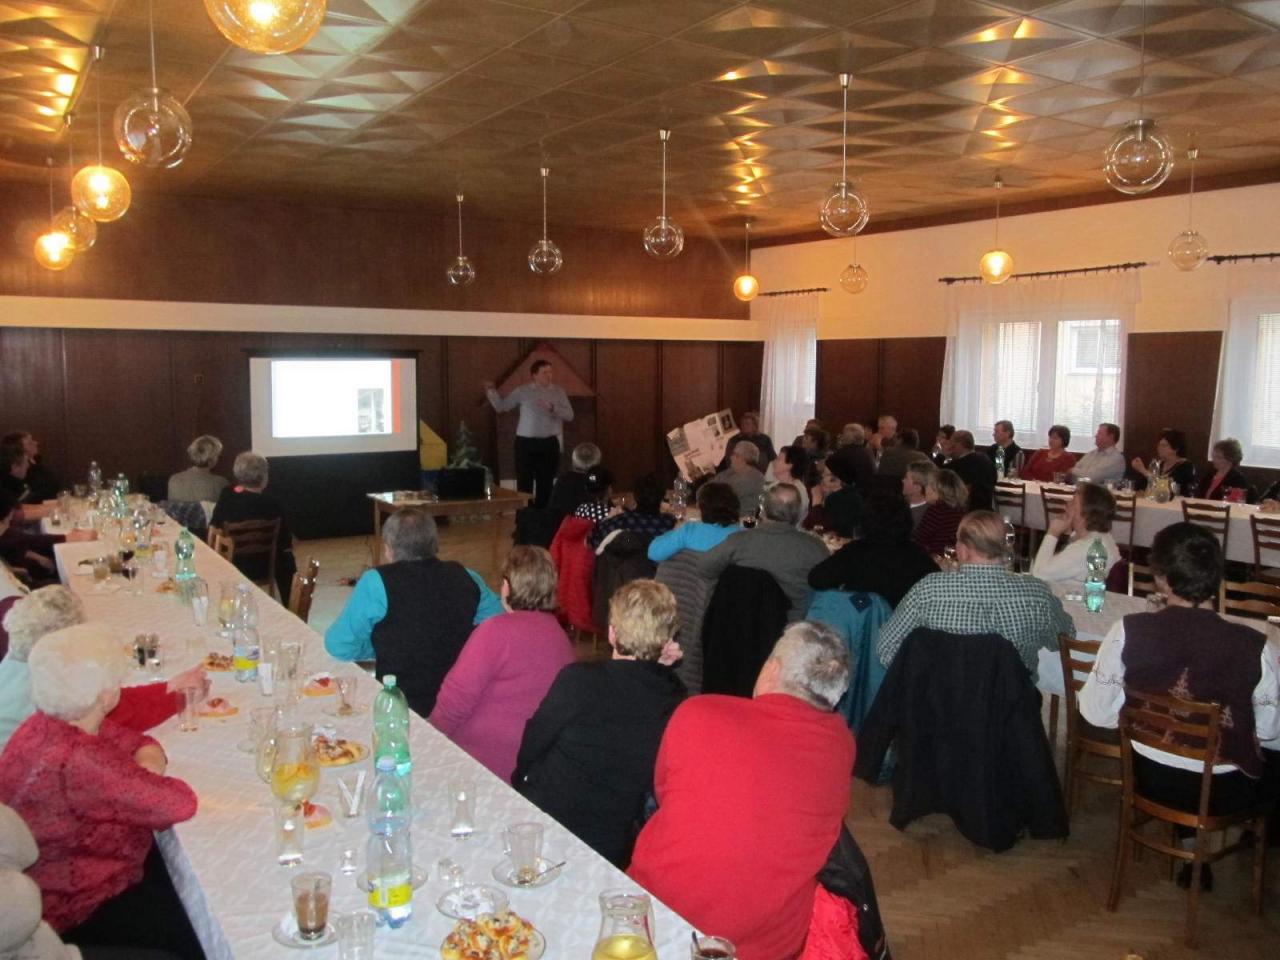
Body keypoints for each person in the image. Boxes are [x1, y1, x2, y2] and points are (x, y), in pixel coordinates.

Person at [628, 621, 854, 960]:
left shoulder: (700, 712)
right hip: (774, 944)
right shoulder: (842, 745)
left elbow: (662, 793)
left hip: (662, 922)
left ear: (772, 669)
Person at [1079, 523, 1280, 888]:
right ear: (1217, 576)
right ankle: (1254, 850)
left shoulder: (1128, 630)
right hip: (1222, 793)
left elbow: (1096, 712)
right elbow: (1268, 731)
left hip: (1150, 777)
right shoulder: (1256, 646)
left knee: (1181, 748)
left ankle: (1191, 845)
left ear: (1161, 579)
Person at [0, 623, 202, 956]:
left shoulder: (43, 724)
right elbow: (179, 804)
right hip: (72, 906)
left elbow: (128, 739)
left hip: (49, 880)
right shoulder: (76, 760)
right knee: (194, 927)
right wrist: (146, 771)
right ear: (107, 696)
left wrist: (146, 758)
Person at [514, 580, 686, 868]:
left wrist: (520, 781)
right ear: (668, 640)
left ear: (612, 632)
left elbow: (533, 742)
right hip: (610, 843)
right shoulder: (674, 699)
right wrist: (661, 667)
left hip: (548, 820)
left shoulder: (579, 680)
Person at [324, 507, 501, 717]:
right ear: (435, 544)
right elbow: (498, 625)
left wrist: (383, 646)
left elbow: (339, 646)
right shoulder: (467, 576)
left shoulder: (376, 582)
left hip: (402, 706)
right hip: (460, 702)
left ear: (388, 548)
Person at [429, 547, 574, 782]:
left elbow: (453, 703)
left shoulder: (494, 631)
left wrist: (427, 741)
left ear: (506, 586)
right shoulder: (560, 638)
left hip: (479, 763)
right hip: (532, 766)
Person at [0, 587, 204, 751]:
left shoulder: (17, 660)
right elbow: (114, 719)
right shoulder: (48, 685)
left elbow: (113, 699)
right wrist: (176, 697)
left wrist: (168, 687)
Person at [881, 511, 1075, 681]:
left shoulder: (929, 590)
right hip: (1012, 704)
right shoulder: (1037, 594)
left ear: (963, 550)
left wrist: (925, 678)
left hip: (941, 704)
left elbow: (886, 647)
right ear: (1006, 548)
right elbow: (1064, 638)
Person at [697, 484, 830, 621]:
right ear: (799, 513)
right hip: (790, 627)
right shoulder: (815, 548)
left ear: (763, 510)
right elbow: (827, 588)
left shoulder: (738, 542)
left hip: (741, 622)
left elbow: (704, 567)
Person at [808, 489, 939, 607]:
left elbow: (816, 579)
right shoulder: (917, 555)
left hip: (861, 620)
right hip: (904, 621)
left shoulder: (855, 551)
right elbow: (937, 589)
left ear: (866, 520)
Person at [483, 360, 574, 509]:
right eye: (544, 372)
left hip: (549, 443)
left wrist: (553, 408)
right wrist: (491, 392)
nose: (549, 375)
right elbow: (501, 407)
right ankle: (525, 516)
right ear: (534, 375)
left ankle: (542, 516)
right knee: (524, 483)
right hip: (525, 443)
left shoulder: (558, 391)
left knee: (546, 483)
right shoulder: (523, 391)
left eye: (550, 372)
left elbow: (570, 415)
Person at [208, 451, 296, 598]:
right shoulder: (272, 503)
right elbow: (285, 541)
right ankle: (292, 604)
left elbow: (215, 525)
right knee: (286, 555)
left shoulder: (227, 494)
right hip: (265, 566)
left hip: (232, 564)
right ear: (264, 477)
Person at [1031, 482, 1122, 590]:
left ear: (1085, 515)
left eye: (1073, 502)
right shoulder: (1102, 537)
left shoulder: (1086, 549)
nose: (1067, 503)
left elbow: (1037, 575)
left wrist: (1053, 532)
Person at [647, 482, 740, 562]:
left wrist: (675, 531)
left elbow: (653, 553)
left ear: (701, 508)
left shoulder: (689, 530)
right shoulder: (740, 534)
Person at [588, 473, 676, 550]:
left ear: (635, 497)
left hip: (622, 563)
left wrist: (607, 519)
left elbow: (593, 541)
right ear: (663, 497)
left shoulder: (620, 521)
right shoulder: (670, 523)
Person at [910, 468, 968, 557]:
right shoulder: (960, 510)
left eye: (927, 486)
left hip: (932, 558)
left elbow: (918, 540)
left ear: (937, 491)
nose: (925, 489)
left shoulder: (937, 511)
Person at [802, 457, 863, 538]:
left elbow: (820, 528)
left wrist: (816, 504)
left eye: (826, 474)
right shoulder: (814, 493)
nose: (822, 477)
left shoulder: (841, 498)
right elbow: (807, 525)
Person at [1128, 428, 1195, 493]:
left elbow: (1168, 487)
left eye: (1164, 445)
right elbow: (1142, 486)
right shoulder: (1159, 464)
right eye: (1159, 445)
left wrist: (1143, 470)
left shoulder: (1185, 466)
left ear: (1175, 449)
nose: (1159, 448)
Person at [166, 435, 228, 503]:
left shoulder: (173, 479)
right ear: (212, 458)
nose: (219, 458)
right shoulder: (220, 483)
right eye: (218, 455)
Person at [1, 432, 59, 503]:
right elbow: (23, 503)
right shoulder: (10, 480)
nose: (36, 443)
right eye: (30, 443)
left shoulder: (37, 465)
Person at [946, 429, 997, 511]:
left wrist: (942, 455)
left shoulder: (959, 464)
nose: (950, 447)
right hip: (986, 508)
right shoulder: (986, 459)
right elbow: (994, 479)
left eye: (952, 444)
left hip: (964, 510)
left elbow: (938, 478)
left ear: (959, 445)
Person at [545, 442, 601, 516]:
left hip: (556, 521)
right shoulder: (594, 481)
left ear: (573, 462)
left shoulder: (562, 479)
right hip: (580, 522)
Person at [1194, 437, 1257, 503]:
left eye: (1218, 457)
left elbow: (1235, 503)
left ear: (1230, 460)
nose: (1214, 460)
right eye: (1213, 456)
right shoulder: (1209, 475)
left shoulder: (1238, 480)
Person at [711, 442, 765, 514]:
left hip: (742, 517)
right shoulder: (728, 472)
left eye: (735, 454)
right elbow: (708, 488)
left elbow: (726, 496)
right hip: (723, 514)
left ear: (744, 458)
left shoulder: (755, 477)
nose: (731, 457)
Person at [825, 423, 875, 494]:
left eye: (843, 434)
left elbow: (828, 464)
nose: (841, 436)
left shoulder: (844, 453)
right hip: (870, 493)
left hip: (852, 494)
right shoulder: (868, 452)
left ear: (846, 438)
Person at [766, 445, 810, 522]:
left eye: (778, 459)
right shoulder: (774, 485)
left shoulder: (798, 491)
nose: (773, 462)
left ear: (789, 465)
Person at [903, 460, 936, 530]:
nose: (903, 480)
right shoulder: (899, 502)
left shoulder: (925, 517)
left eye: (906, 478)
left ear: (917, 488)